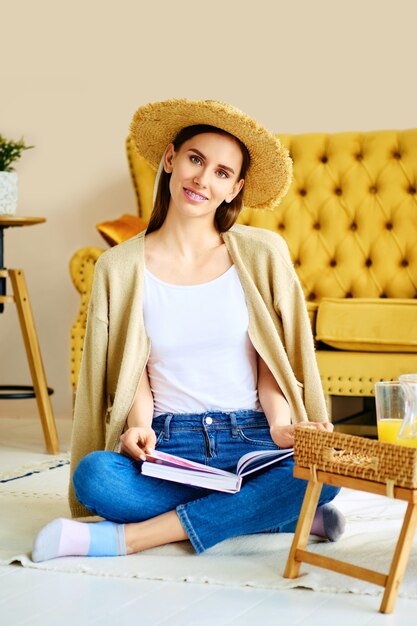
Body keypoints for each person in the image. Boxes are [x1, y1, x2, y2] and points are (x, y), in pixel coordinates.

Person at [32, 99, 344, 562]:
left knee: (329, 470)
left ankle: (127, 539)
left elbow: (269, 361)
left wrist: (282, 426)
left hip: (252, 438)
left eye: (221, 172)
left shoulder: (261, 254)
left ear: (234, 188)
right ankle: (270, 514)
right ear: (171, 158)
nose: (202, 179)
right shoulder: (118, 267)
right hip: (169, 443)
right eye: (196, 160)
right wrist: (138, 427)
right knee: (95, 477)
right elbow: (131, 369)